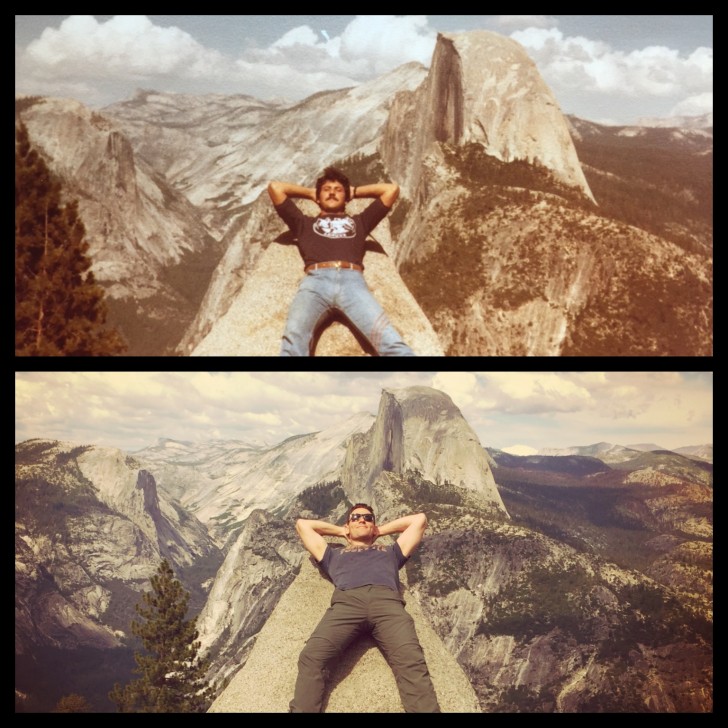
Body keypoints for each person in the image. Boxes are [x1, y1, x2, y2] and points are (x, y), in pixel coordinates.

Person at [289, 503, 441, 713]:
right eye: (356, 517)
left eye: (368, 518)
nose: (362, 520)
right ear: (347, 525)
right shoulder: (332, 555)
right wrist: (342, 531)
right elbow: (303, 525)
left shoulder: (391, 552)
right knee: (312, 657)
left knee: (411, 661)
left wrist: (379, 531)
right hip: (347, 604)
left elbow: (420, 520)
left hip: (387, 604)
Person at [267, 167, 415, 356]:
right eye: (327, 189)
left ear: (346, 198)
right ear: (318, 198)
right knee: (293, 342)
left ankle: (418, 383)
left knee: (391, 343)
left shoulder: (361, 222)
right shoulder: (303, 224)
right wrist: (311, 193)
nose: (332, 192)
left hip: (353, 283)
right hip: (315, 283)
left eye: (338, 190)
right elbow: (275, 188)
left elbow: (391, 190)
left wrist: (353, 192)